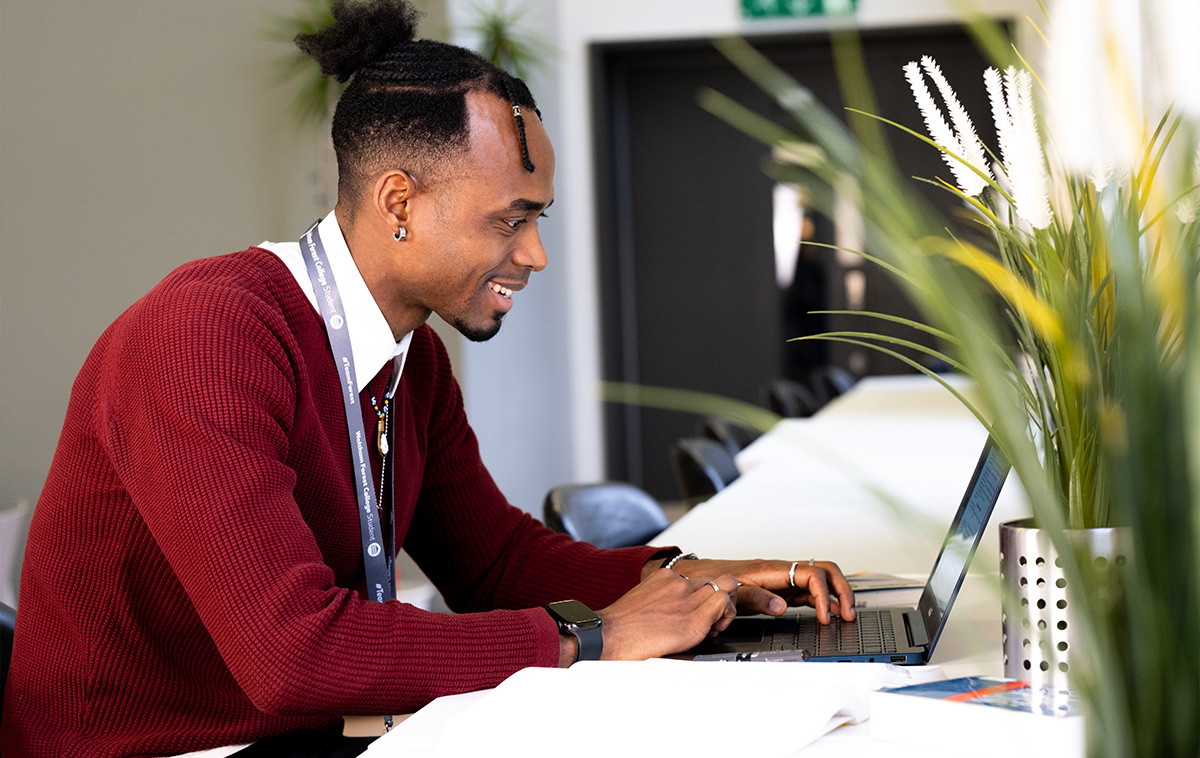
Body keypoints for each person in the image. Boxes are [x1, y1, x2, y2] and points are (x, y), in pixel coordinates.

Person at [0, 2, 855, 756]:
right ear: (399, 203)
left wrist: (692, 577)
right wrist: (588, 638)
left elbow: (495, 560)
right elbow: (293, 655)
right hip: (159, 748)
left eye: (538, 218)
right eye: (508, 220)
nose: (536, 254)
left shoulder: (415, 362)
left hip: (304, 734)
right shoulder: (206, 334)